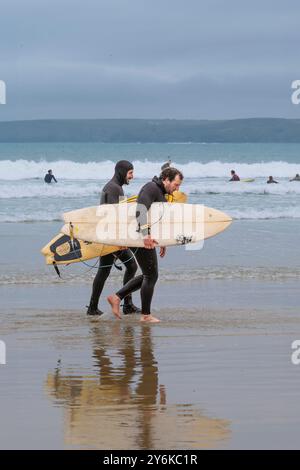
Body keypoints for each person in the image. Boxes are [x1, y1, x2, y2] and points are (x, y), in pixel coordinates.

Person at [107, 167, 184, 323]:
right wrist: (145, 235)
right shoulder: (151, 188)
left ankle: (116, 297)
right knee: (151, 275)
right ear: (166, 179)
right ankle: (146, 315)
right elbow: (140, 210)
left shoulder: (160, 192)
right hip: (139, 236)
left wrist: (163, 240)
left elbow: (154, 217)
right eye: (176, 184)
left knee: (149, 275)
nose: (177, 189)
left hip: (145, 236)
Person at [87, 160, 141, 316]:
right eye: (130, 173)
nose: (132, 176)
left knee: (106, 270)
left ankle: (94, 307)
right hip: (110, 238)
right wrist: (120, 241)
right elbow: (113, 217)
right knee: (129, 266)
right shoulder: (114, 189)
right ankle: (125, 304)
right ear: (122, 172)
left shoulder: (114, 187)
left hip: (108, 237)